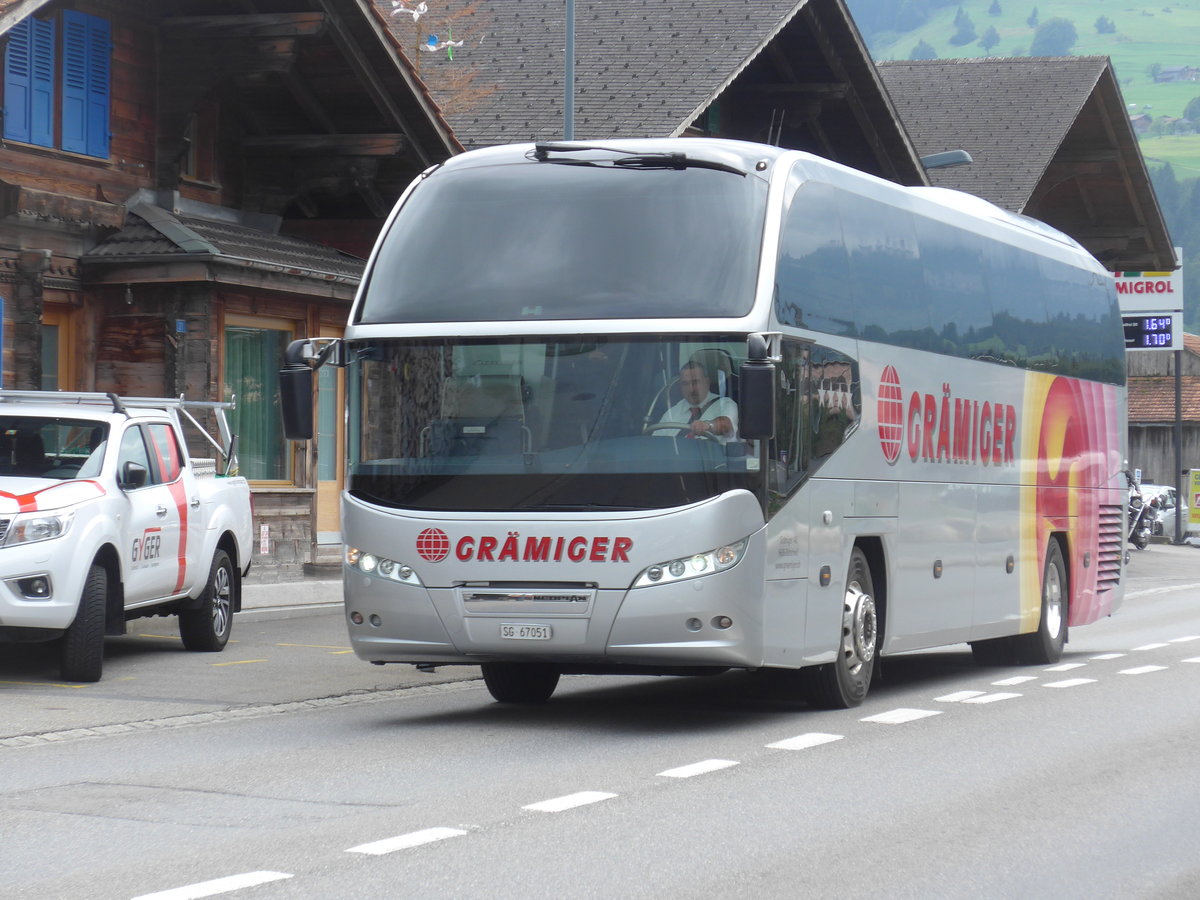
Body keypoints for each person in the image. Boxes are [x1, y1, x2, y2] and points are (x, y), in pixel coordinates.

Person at [656, 360, 738, 443]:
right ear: (680, 386)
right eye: (685, 384)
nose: (691, 389)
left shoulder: (725, 404)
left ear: (707, 382)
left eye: (695, 382)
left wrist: (708, 425)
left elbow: (727, 425)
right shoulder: (671, 414)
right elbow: (656, 444)